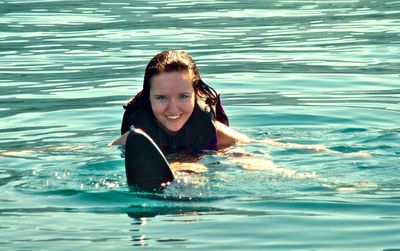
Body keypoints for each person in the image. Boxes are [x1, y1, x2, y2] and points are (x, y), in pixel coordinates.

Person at [110, 50, 249, 154]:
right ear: (148, 98)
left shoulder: (217, 135)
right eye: (161, 98)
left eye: (183, 96)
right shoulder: (134, 140)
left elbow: (254, 153)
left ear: (197, 94)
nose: (173, 109)